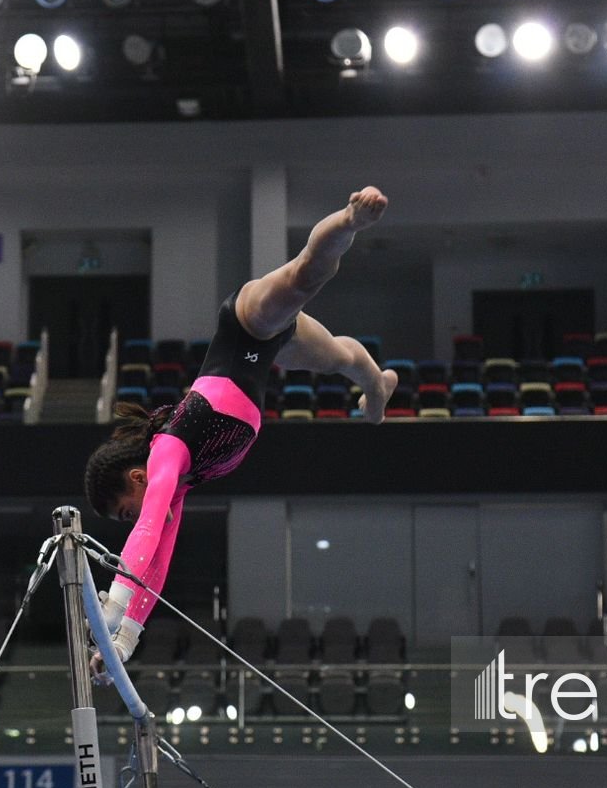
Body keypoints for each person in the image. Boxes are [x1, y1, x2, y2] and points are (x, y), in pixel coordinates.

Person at [82, 185, 397, 675]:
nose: (132, 518)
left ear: (136, 478)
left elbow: (145, 533)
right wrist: (123, 641)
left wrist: (110, 608)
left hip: (244, 327)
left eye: (124, 510)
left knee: (302, 278)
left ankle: (350, 220)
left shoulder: (167, 452)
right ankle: (376, 387)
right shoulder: (182, 482)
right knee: (336, 356)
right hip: (266, 357)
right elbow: (159, 562)